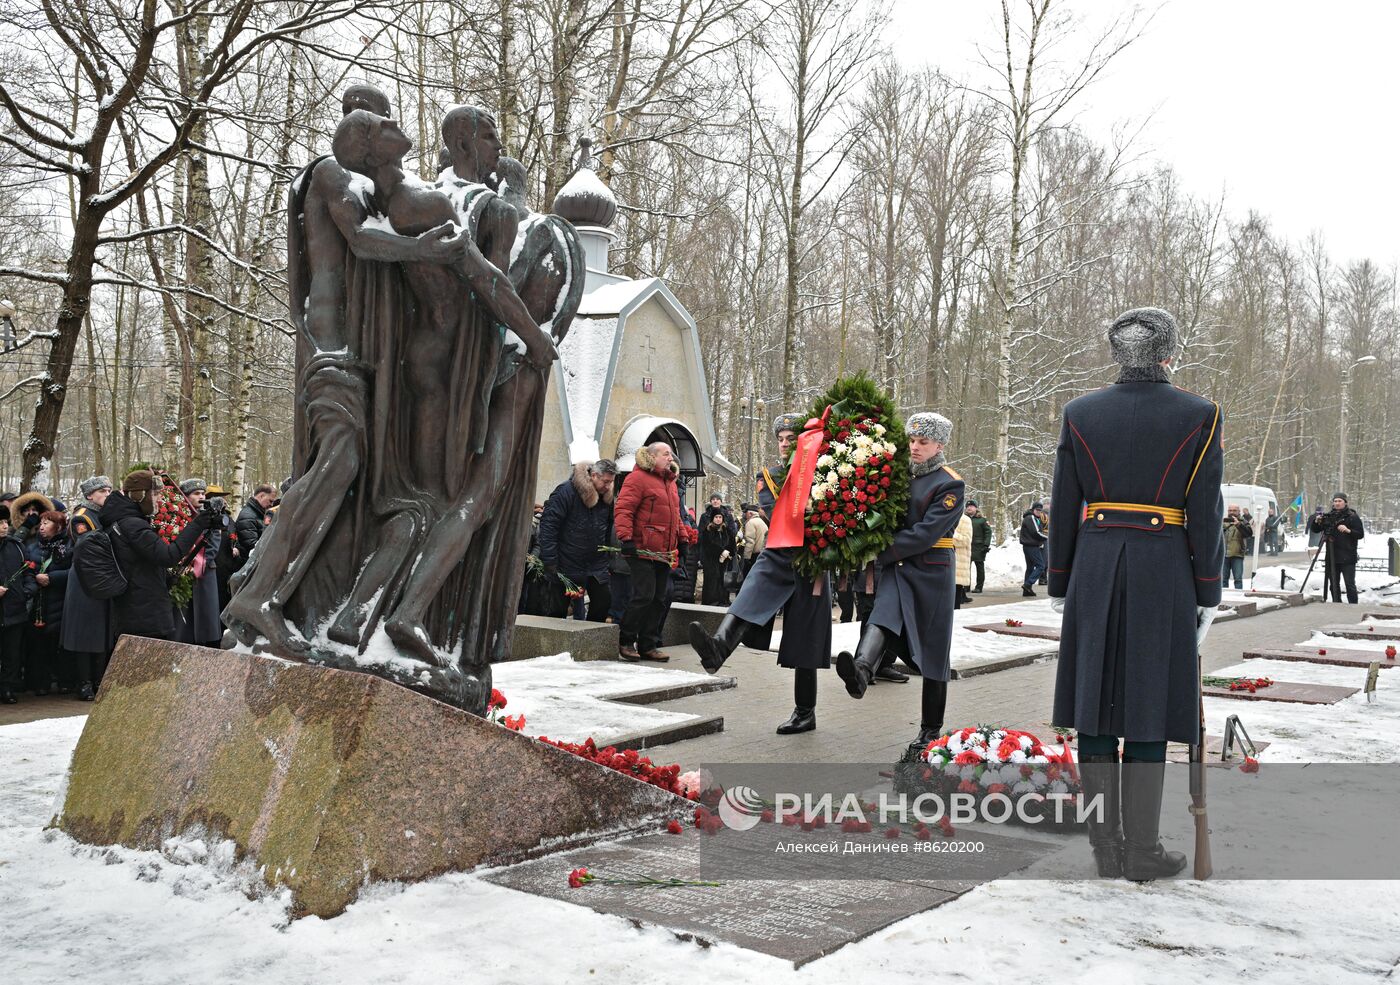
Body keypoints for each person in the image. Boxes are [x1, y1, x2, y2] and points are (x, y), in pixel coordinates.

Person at [1048, 306, 1224, 883]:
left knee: (1094, 705)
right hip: (1162, 567)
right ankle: (1142, 849)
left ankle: (1107, 846)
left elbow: (1064, 504)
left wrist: (1060, 579)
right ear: (1168, 354)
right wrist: (1208, 591)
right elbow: (1204, 512)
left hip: (1095, 564)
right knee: (1147, 706)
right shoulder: (1199, 414)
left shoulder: (1080, 412)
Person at [688, 412, 834, 735]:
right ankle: (717, 650)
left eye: (789, 439)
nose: (783, 444)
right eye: (779, 439)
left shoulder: (826, 473)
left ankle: (805, 711)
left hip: (812, 558)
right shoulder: (768, 476)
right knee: (750, 595)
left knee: (805, 638)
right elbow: (774, 507)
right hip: (780, 551)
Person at [834, 412, 963, 750]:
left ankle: (930, 730)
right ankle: (861, 671)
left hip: (931, 571)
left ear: (939, 445)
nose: (915, 447)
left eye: (923, 442)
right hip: (897, 568)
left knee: (934, 653)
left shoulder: (950, 483)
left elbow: (925, 533)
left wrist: (879, 550)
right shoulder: (897, 476)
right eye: (912, 440)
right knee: (882, 616)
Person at [100, 469, 216, 641]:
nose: (160, 499)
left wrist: (164, 578)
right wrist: (197, 524)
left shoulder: (125, 520)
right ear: (140, 496)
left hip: (137, 608)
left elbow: (140, 563)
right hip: (143, 613)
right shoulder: (133, 525)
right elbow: (168, 556)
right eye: (155, 494)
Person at [613, 442, 695, 661]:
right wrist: (626, 538)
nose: (670, 458)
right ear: (651, 456)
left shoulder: (669, 483)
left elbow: (675, 516)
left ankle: (648, 644)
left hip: (663, 552)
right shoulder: (637, 478)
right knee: (644, 595)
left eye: (671, 454)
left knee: (660, 598)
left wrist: (683, 540)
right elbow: (624, 509)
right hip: (641, 548)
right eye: (665, 454)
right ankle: (626, 640)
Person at [536, 459, 617, 621]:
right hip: (566, 563)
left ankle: (591, 641)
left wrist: (607, 555)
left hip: (596, 564)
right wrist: (550, 560)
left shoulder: (606, 498)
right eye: (606, 481)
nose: (608, 486)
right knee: (557, 611)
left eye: (611, 482)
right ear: (594, 475)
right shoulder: (566, 491)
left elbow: (608, 527)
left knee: (603, 601)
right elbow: (549, 526)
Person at [62, 475, 114, 700]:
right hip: (85, 579)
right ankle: (84, 683)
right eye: (103, 491)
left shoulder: (106, 515)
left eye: (109, 491)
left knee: (102, 632)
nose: (107, 495)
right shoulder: (82, 518)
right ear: (90, 495)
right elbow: (90, 546)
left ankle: (99, 679)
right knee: (84, 633)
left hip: (103, 578)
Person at [24, 511, 72, 694]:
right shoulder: (32, 547)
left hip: (60, 601)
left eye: (47, 523)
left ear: (59, 527)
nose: (42, 527)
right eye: (41, 523)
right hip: (38, 604)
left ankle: (65, 680)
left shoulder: (68, 546)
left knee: (59, 645)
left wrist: (52, 578)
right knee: (38, 646)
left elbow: (74, 572)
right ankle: (40, 683)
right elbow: (25, 568)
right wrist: (34, 578)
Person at [177, 478, 226, 647]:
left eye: (202, 493)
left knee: (206, 617)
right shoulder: (177, 514)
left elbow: (214, 542)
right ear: (186, 496)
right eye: (196, 493)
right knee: (186, 620)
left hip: (205, 569)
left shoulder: (211, 514)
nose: (201, 496)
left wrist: (200, 562)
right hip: (181, 569)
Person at [0, 506, 35, 704]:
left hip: (14, 610)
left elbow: (29, 571)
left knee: (12, 654)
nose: (5, 527)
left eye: (6, 522)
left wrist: (27, 591)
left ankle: (7, 688)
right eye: (1, 523)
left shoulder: (16, 546)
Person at [1310, 493, 1364, 604]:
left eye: (1339, 501)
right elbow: (1316, 529)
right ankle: (1337, 603)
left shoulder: (1352, 516)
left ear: (1345, 502)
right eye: (1335, 501)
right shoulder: (1329, 516)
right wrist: (1316, 521)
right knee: (1334, 583)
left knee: (1349, 584)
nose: (1337, 503)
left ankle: (1353, 606)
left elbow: (1360, 534)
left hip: (1347, 556)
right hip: (1332, 555)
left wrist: (1348, 530)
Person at [699, 511, 736, 606]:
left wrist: (727, 553)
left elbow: (732, 545)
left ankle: (723, 600)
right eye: (716, 517)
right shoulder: (707, 530)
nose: (718, 519)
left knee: (723, 580)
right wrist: (720, 552)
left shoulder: (727, 530)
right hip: (711, 561)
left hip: (725, 561)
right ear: (712, 518)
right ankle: (712, 602)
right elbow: (707, 546)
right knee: (712, 581)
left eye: (720, 517)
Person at [234, 484, 276, 565]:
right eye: (270, 501)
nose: (271, 505)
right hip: (248, 565)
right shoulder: (247, 516)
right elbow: (253, 547)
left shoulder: (258, 514)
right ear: (262, 496)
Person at [1019, 501, 1047, 596]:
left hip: (1029, 545)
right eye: (1037, 510)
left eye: (1040, 510)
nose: (1039, 512)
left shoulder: (1034, 518)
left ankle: (1027, 591)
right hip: (1031, 546)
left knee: (1030, 568)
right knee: (1041, 566)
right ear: (1033, 509)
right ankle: (1028, 584)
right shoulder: (1031, 517)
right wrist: (1047, 538)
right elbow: (1036, 532)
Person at [967, 500, 991, 593]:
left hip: (979, 547)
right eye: (968, 506)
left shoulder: (982, 520)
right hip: (967, 547)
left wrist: (986, 545)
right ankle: (966, 586)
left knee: (979, 568)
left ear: (976, 508)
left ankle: (979, 587)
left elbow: (988, 532)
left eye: (972, 506)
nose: (969, 508)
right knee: (966, 568)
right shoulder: (964, 519)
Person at [1221, 505, 1246, 589]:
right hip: (1224, 555)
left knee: (1238, 579)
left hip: (1237, 554)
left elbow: (1248, 533)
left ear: (1239, 512)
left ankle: (1239, 598)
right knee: (1223, 579)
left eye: (1234, 510)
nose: (1232, 512)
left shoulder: (1243, 522)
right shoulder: (1223, 521)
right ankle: (1224, 597)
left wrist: (1239, 524)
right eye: (1230, 510)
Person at [953, 509, 973, 608]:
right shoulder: (941, 517)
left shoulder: (965, 520)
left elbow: (966, 540)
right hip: (942, 565)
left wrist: (949, 534)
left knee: (954, 608)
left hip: (958, 568)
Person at [740, 505, 767, 575]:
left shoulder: (750, 523)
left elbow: (750, 541)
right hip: (762, 552)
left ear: (750, 513)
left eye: (745, 513)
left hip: (754, 555)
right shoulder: (761, 521)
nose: (745, 515)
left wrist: (746, 557)